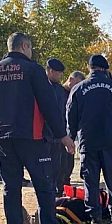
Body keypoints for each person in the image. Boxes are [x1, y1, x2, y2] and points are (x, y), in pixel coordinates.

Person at [0, 32, 75, 224]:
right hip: (31, 137)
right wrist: (63, 135)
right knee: (44, 186)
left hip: (3, 138)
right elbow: (48, 104)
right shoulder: (33, 70)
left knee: (10, 188)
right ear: (24, 46)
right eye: (30, 48)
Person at [66, 54, 112, 224]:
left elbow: (71, 115)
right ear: (105, 69)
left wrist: (70, 138)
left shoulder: (78, 88)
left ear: (89, 68)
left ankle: (95, 219)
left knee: (90, 181)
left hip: (88, 141)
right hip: (111, 140)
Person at [44, 58, 68, 194]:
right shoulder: (41, 86)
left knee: (57, 169)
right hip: (44, 136)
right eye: (58, 73)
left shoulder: (60, 89)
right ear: (50, 71)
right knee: (44, 171)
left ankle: (55, 194)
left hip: (57, 137)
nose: (60, 76)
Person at [58, 71, 85, 189]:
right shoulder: (58, 91)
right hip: (57, 132)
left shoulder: (75, 94)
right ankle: (59, 185)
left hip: (69, 133)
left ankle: (66, 182)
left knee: (69, 161)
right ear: (70, 79)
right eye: (77, 83)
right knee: (60, 162)